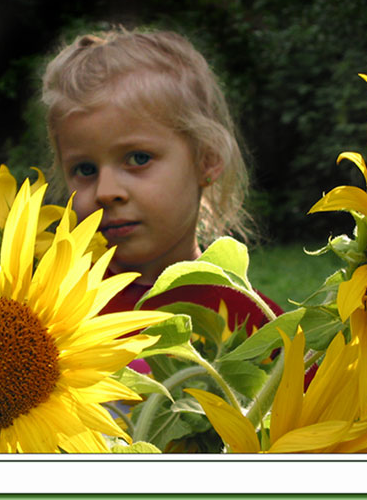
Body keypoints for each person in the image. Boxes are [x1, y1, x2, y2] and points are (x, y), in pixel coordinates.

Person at [41, 28, 282, 333]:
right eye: (85, 169)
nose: (106, 192)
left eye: (138, 158)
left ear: (206, 160)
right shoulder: (49, 310)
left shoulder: (258, 326)